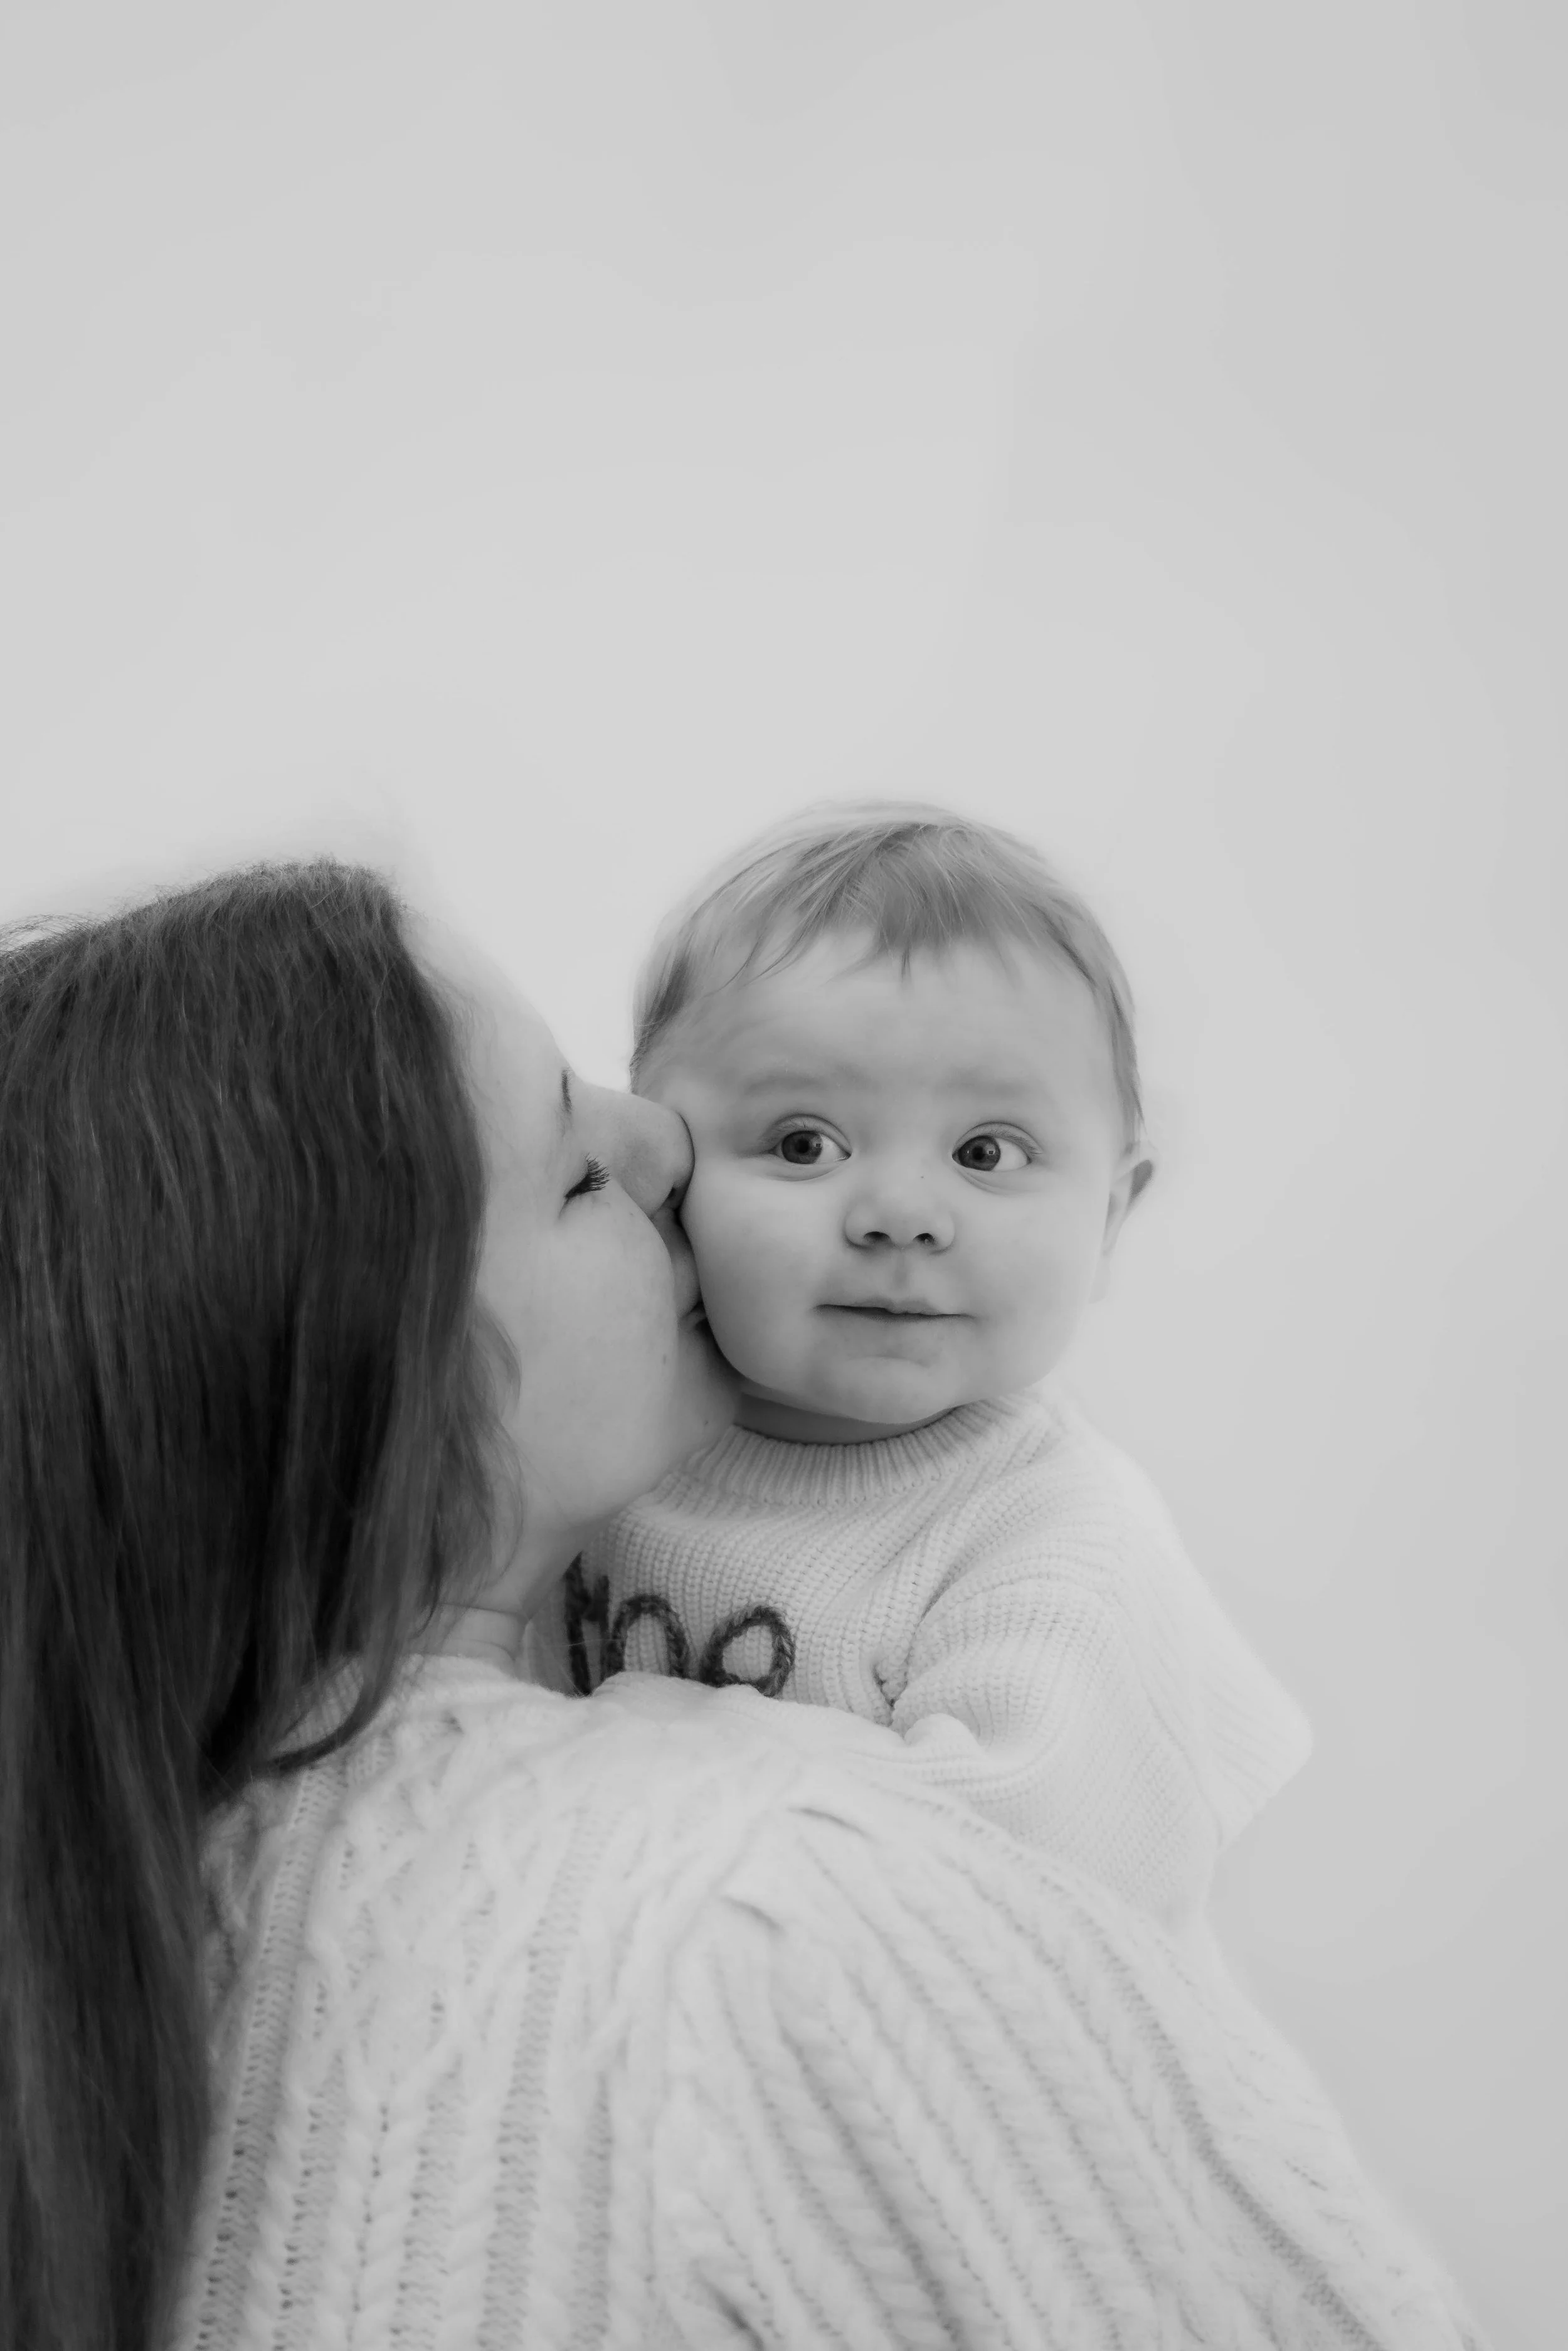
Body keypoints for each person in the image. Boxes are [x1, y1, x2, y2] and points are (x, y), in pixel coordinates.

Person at [0, 859, 1483, 2351]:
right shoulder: (768, 1909)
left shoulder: (121, 1871)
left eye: (987, 1149)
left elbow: (1052, 1872)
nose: (665, 1143)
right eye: (578, 1168)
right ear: (370, 1371)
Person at [529, 804, 1310, 1933]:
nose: (901, 1216)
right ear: (664, 1165)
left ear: (1112, 1212)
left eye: (987, 1153)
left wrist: (634, 1737)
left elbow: (986, 1898)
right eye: (805, 1143)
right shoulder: (606, 1435)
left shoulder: (1053, 1551)